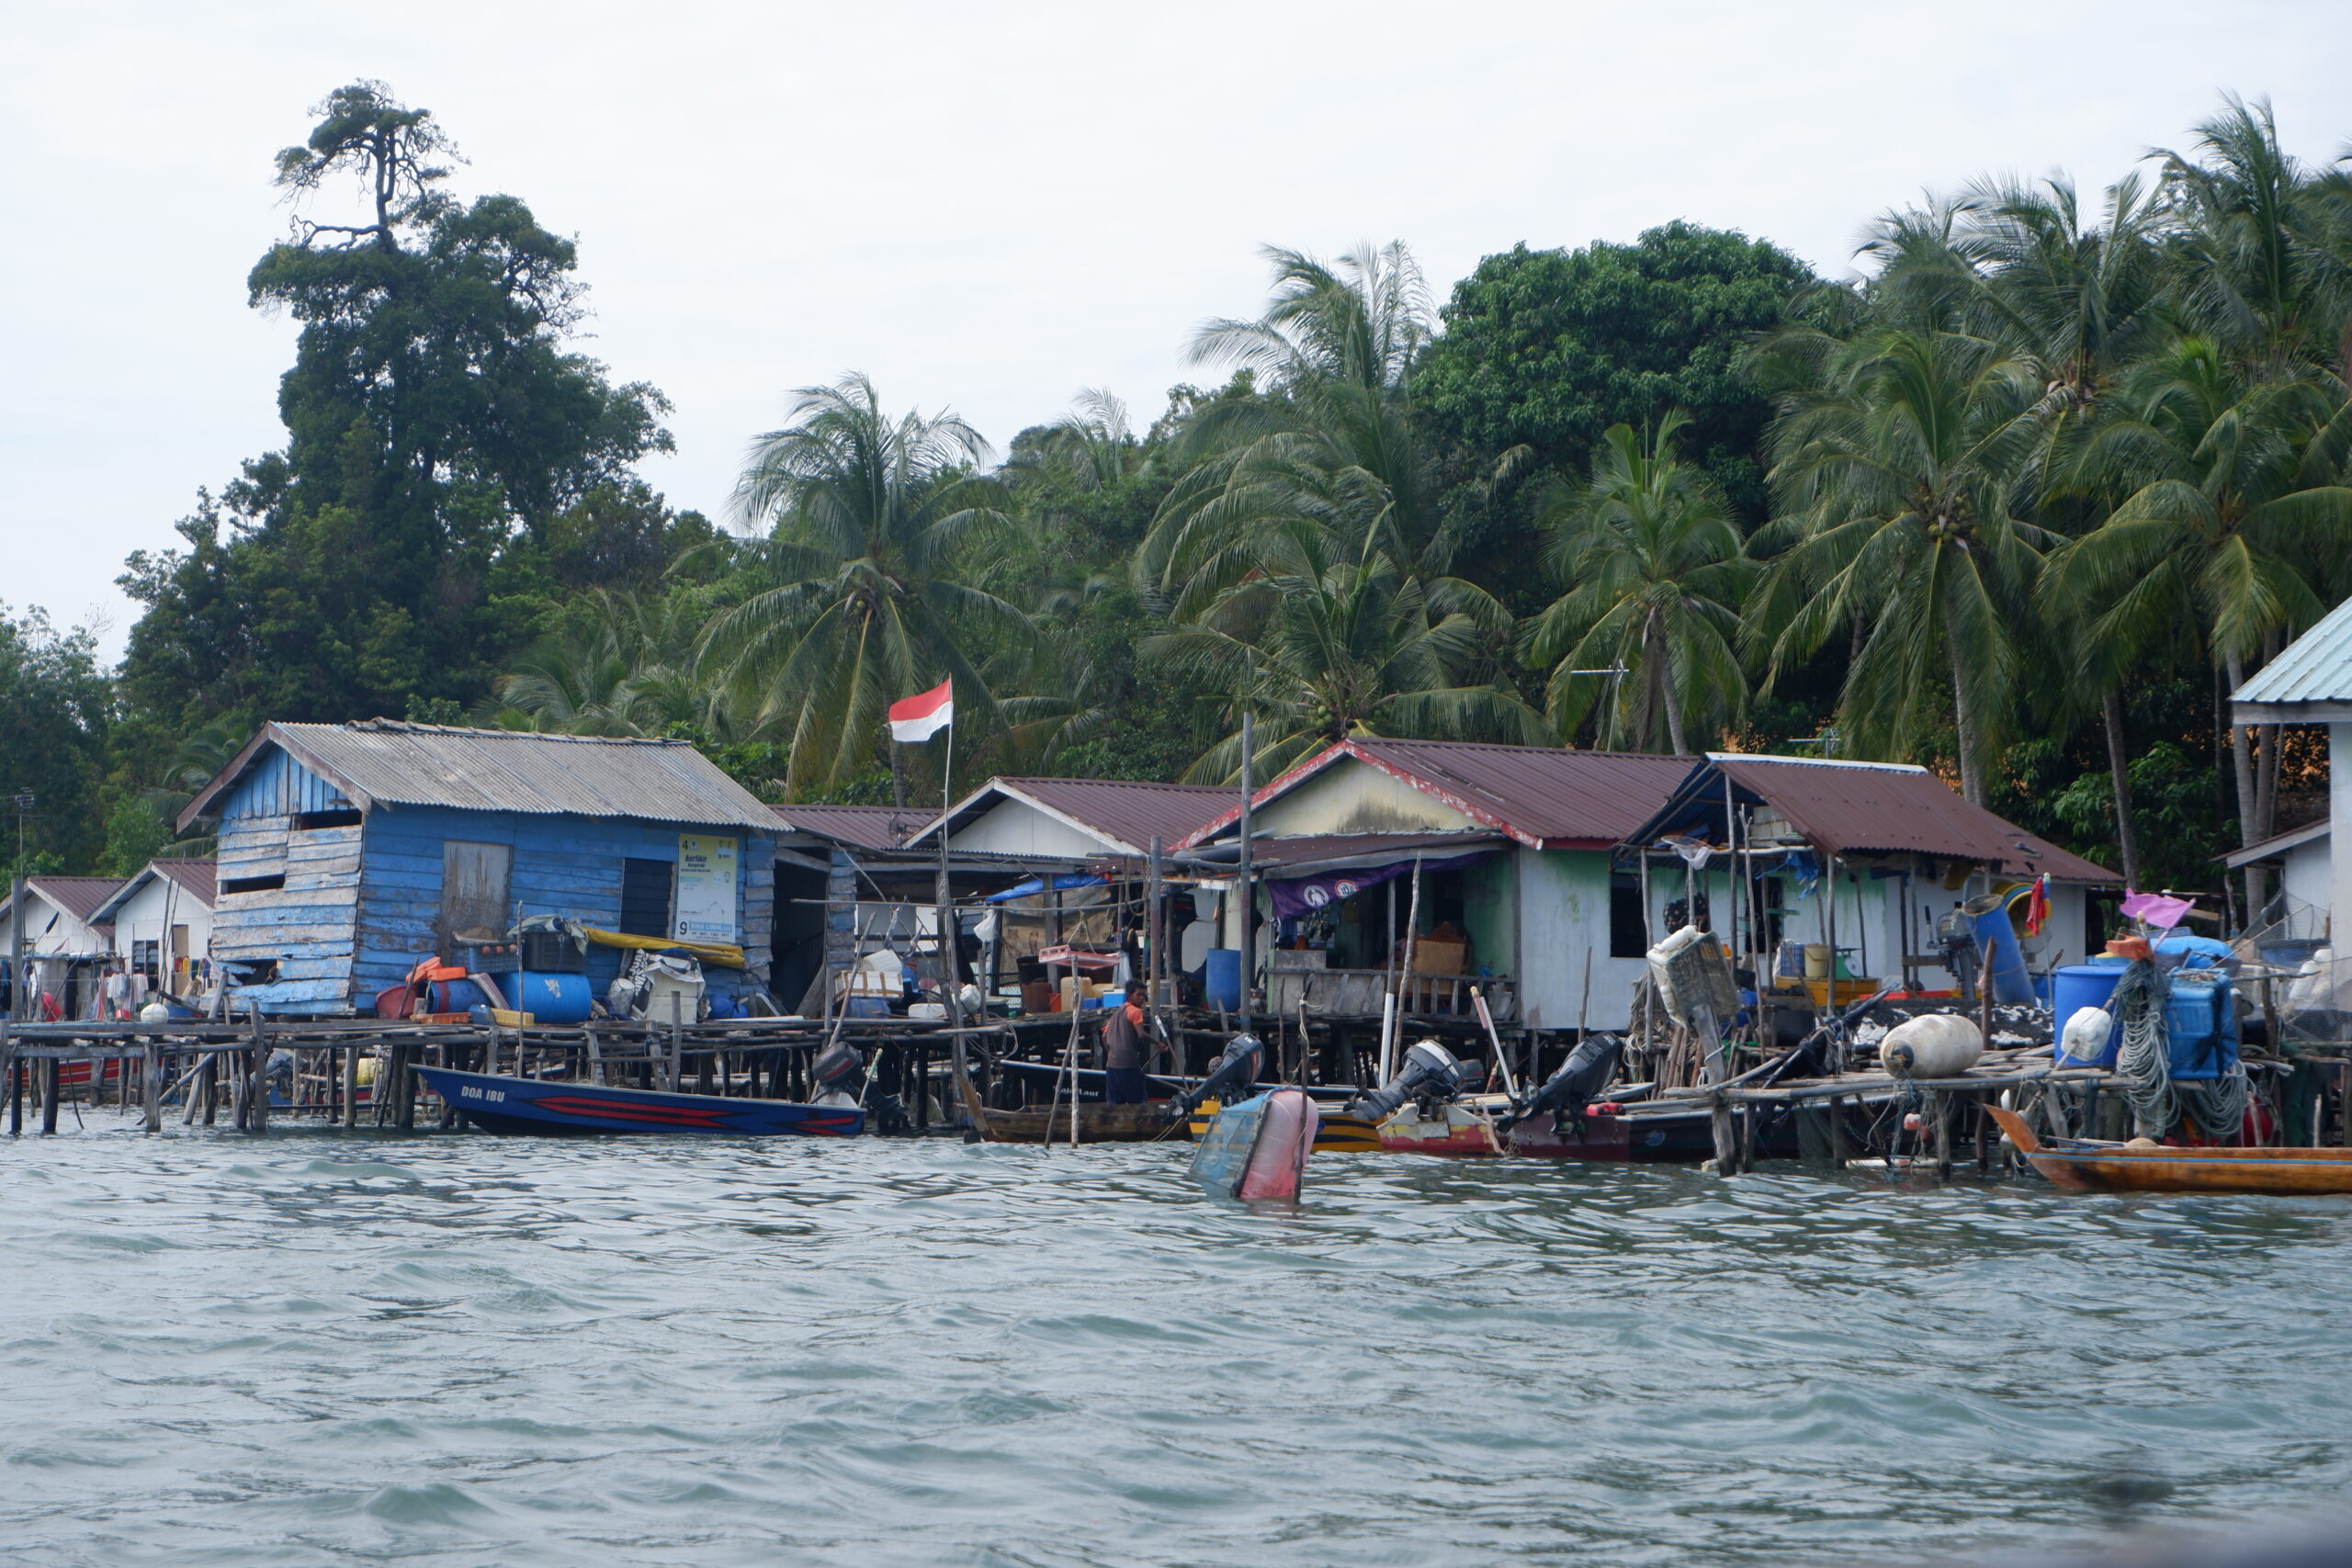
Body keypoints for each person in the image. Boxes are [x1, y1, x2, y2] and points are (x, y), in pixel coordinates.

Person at [1102, 982, 1150, 1104]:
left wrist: (1110, 1052)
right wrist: (1158, 1043)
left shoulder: (1116, 1013)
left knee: (1114, 1103)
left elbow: (1104, 1036)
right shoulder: (1135, 1011)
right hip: (1128, 1066)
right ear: (1129, 995)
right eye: (1138, 995)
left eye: (1144, 996)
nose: (1142, 999)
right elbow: (1141, 1034)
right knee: (1138, 1101)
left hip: (1112, 1065)